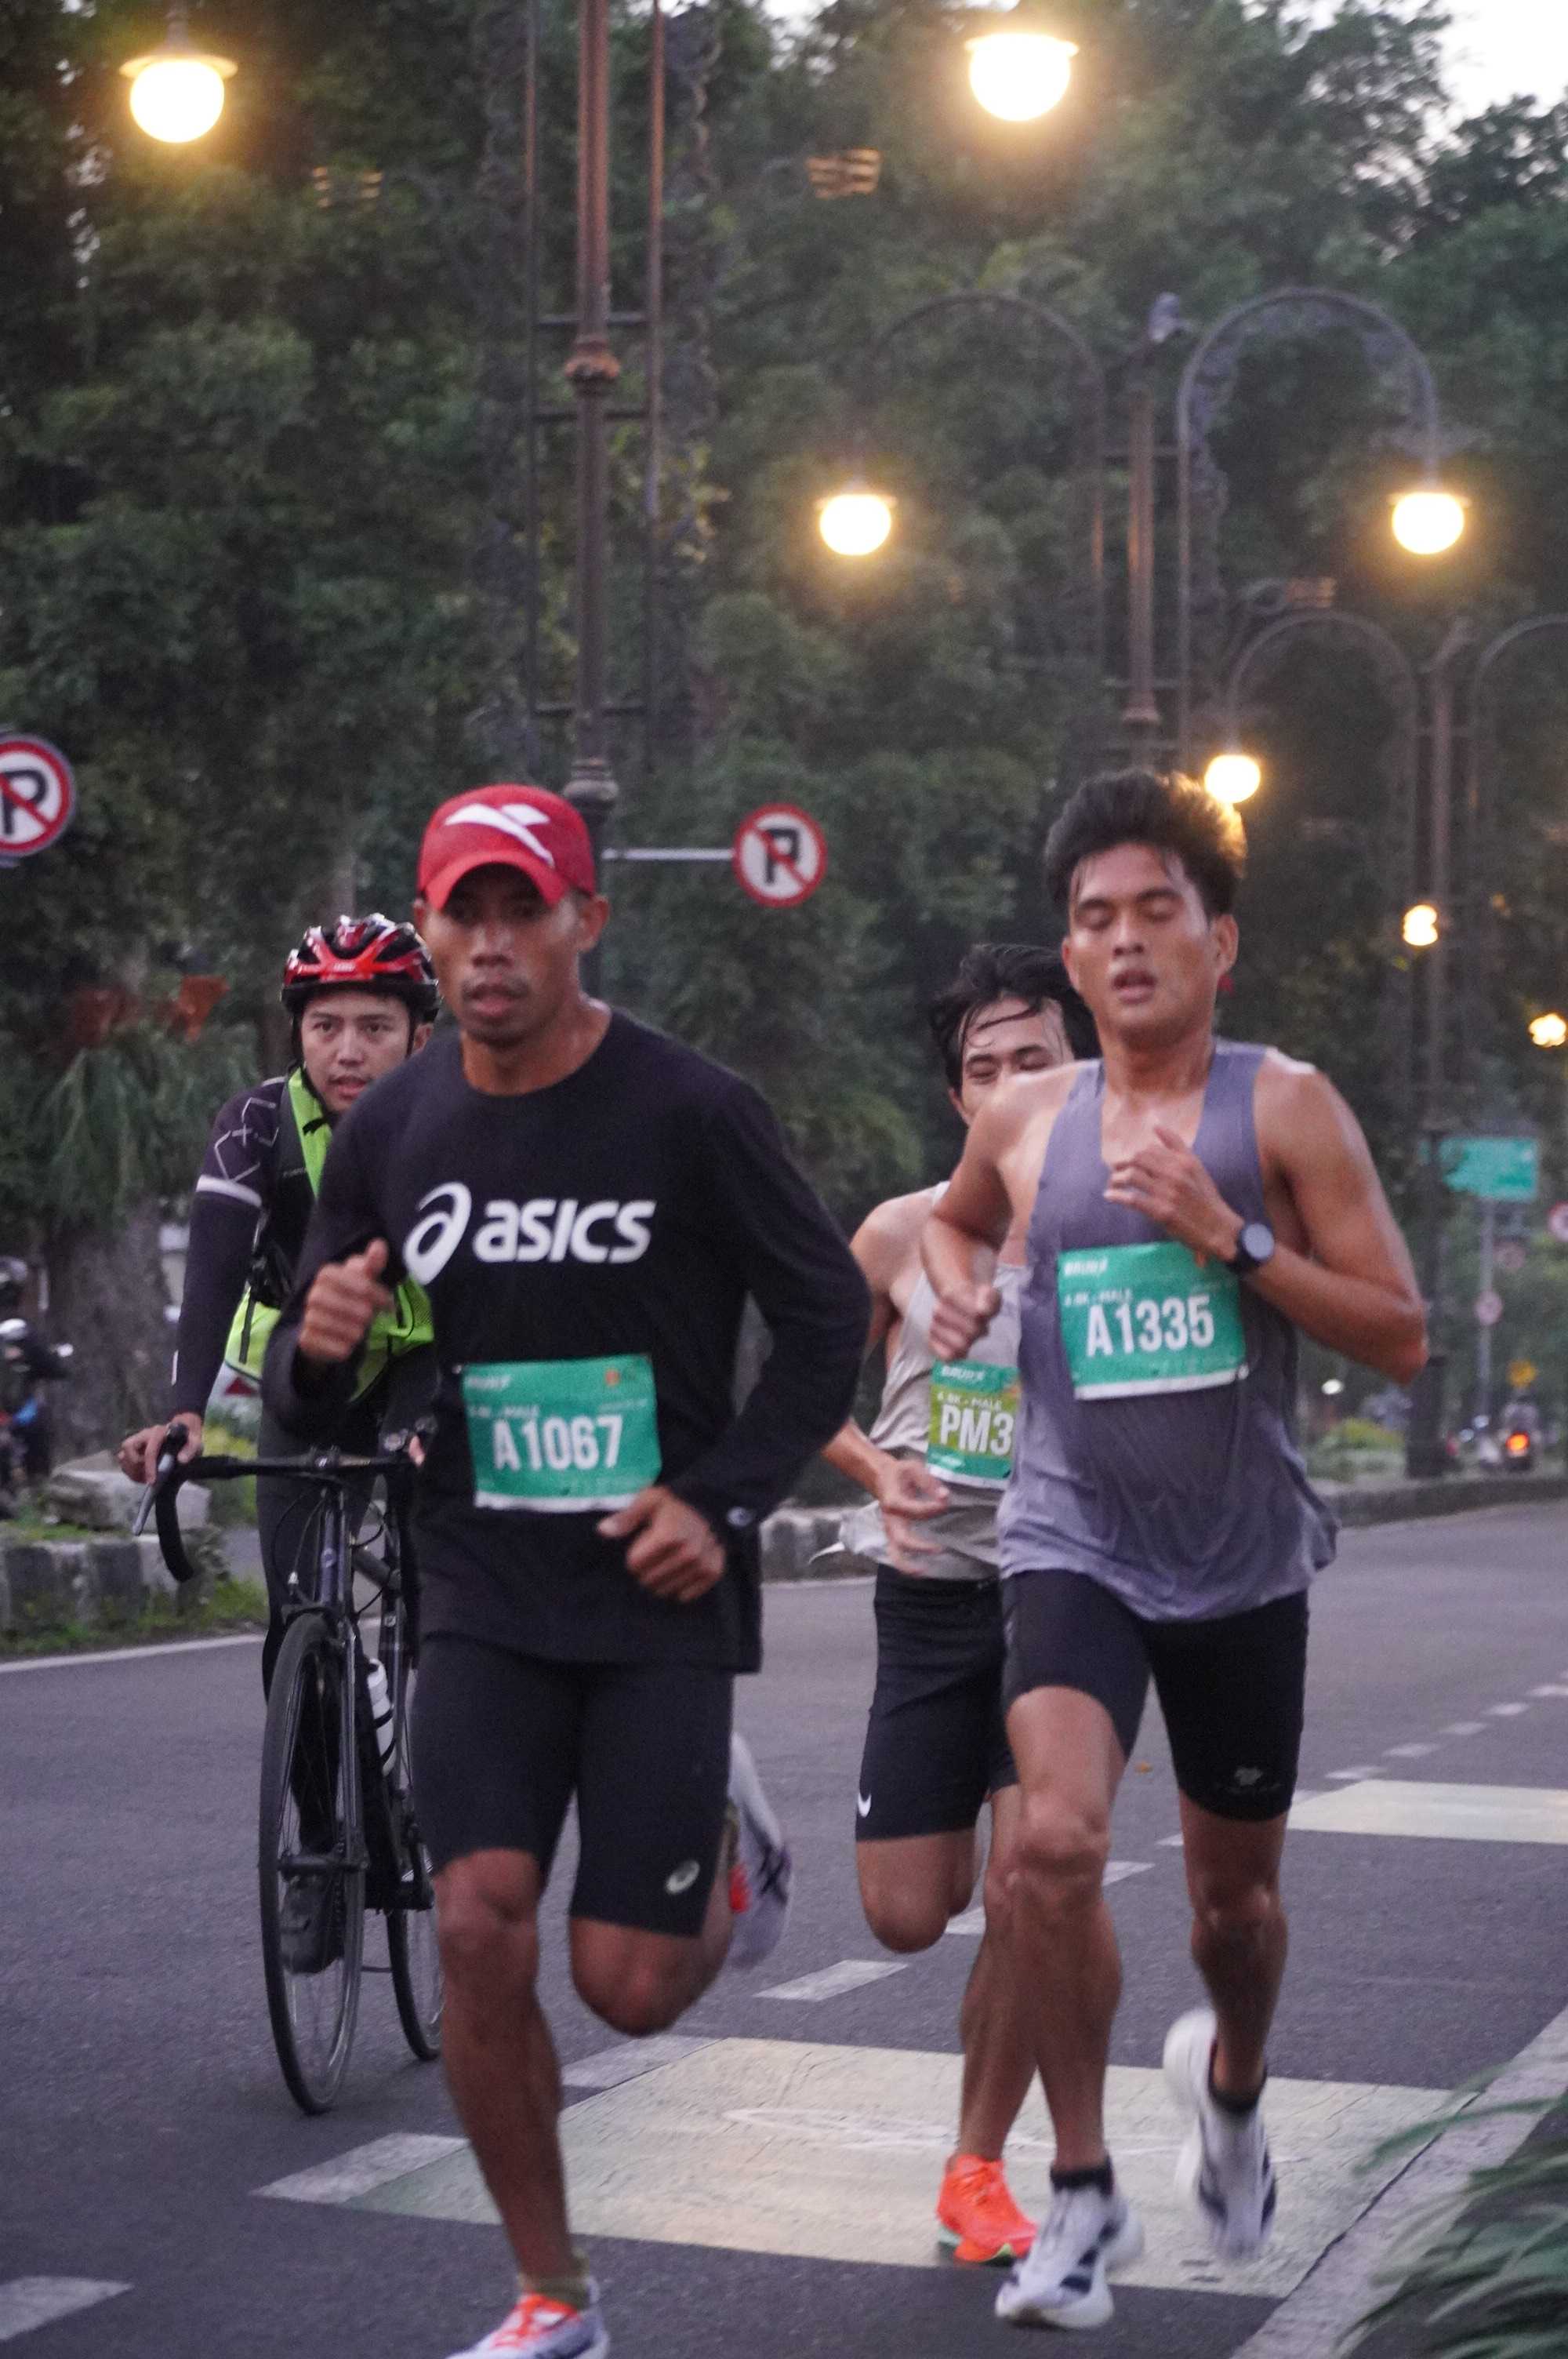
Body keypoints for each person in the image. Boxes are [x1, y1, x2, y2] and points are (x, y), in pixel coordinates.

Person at [262, 782, 869, 2359]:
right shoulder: (396, 1130)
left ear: (585, 921)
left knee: (631, 1988)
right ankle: (552, 2295)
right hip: (481, 1574)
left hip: (659, 1582)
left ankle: (730, 1843)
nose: (489, 943)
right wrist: (318, 1356)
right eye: (461, 912)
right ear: (429, 930)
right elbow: (310, 1384)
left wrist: (720, 1499)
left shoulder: (693, 1111)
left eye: (520, 911)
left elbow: (824, 1322)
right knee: (476, 1922)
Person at [923, 769, 1427, 2331]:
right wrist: (955, 1282)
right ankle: (1080, 2190)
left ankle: (1234, 2087)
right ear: (1070, 956)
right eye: (1097, 918)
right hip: (1069, 1534)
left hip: (1236, 1556)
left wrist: (1235, 1236)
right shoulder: (1026, 1117)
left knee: (1233, 1913)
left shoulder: (1284, 1107)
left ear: (1222, 943)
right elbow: (951, 1220)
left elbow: (1401, 1334)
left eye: (1159, 910)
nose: (1128, 939)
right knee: (1052, 1847)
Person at [824, 944, 1094, 2267]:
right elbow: (799, 1390)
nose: (1010, 1085)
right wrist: (879, 1469)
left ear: (1082, 1066)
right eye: (984, 1068)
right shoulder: (897, 1232)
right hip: (931, 1591)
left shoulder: (1132, 1224)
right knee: (906, 1912)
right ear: (958, 1098)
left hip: (1068, 1592)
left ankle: (977, 2167)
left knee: (1033, 1879)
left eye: (1034, 1057)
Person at [118, 917, 441, 1692]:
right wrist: (184, 1414)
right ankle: (330, 1709)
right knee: (294, 1611)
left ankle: (431, 1696)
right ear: (299, 1033)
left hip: (431, 1359)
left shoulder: (459, 1116)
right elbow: (211, 1271)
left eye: (375, 1027)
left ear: (419, 1039)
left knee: (441, 1585)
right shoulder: (255, 1124)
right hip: (307, 1367)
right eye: (325, 1027)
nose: (347, 1050)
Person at [0, 1258, 74, 1510]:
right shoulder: (18, 1328)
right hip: (13, 1414)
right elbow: (52, 1366)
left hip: (8, 1417)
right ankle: (38, 1487)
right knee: (37, 1417)